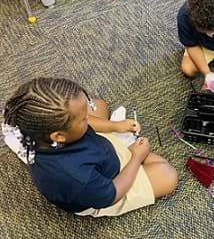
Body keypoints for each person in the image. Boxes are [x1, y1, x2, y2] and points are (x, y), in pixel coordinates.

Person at [2, 77, 178, 217]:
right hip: (109, 185)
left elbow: (87, 122)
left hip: (97, 151)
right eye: (84, 118)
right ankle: (133, 158)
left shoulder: (44, 135)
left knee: (99, 104)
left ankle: (123, 149)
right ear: (59, 136)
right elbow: (112, 193)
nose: (88, 117)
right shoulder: (75, 176)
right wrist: (137, 158)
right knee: (168, 175)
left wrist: (117, 126)